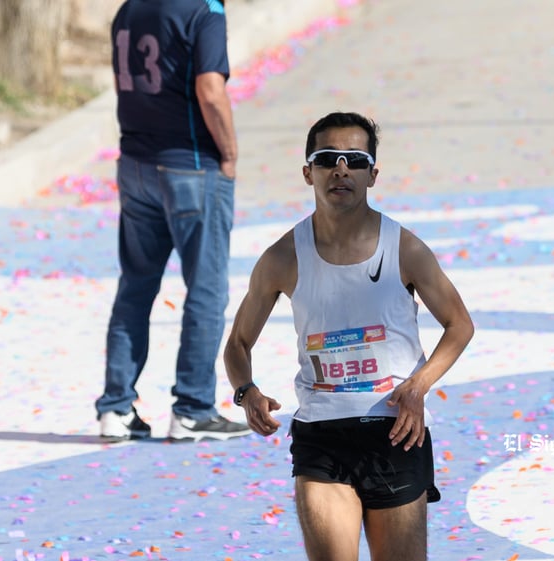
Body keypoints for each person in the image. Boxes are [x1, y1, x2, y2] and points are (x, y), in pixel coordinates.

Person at [224, 112, 475, 561]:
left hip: (395, 432)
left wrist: (418, 386)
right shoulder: (282, 257)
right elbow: (238, 344)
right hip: (320, 433)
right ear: (309, 173)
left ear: (372, 175)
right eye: (327, 159)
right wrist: (247, 392)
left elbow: (460, 324)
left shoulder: (405, 248)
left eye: (355, 160)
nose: (341, 169)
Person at [96, 0, 251, 442]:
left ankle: (116, 407)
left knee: (136, 286)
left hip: (136, 163)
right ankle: (194, 408)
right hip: (191, 165)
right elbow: (209, 89)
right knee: (206, 287)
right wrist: (230, 154)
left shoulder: (129, 9)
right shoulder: (204, 10)